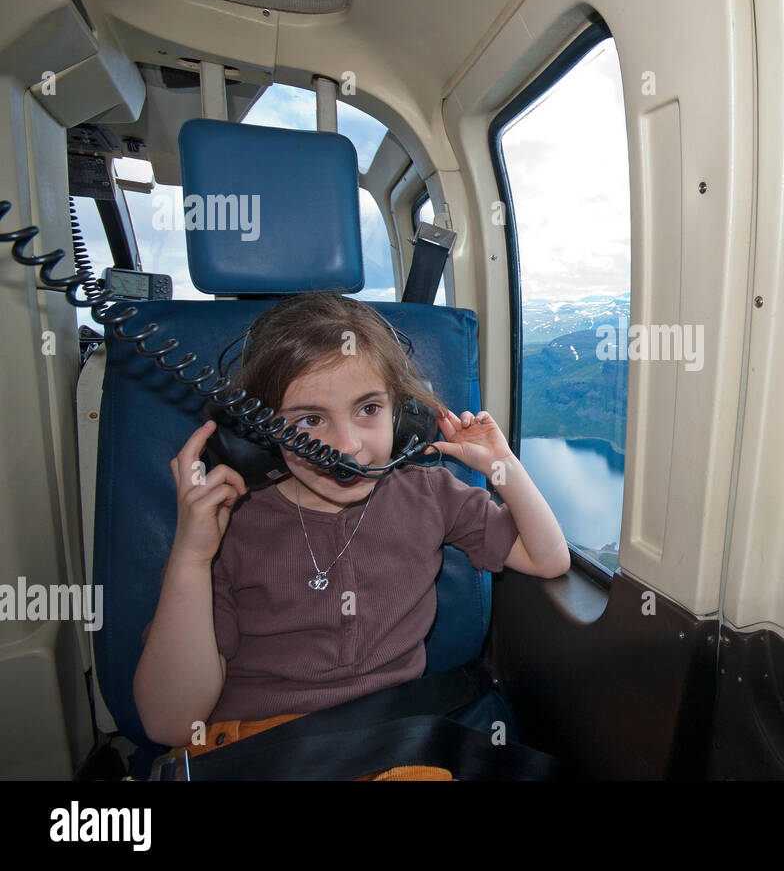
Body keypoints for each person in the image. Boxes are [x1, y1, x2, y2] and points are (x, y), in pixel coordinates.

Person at [132, 292, 569, 777]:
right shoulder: (232, 522)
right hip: (259, 748)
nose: (347, 446)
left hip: (392, 741)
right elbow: (170, 724)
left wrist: (501, 466)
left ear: (402, 417)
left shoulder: (430, 493)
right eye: (309, 420)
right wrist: (192, 557)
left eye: (368, 409)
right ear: (255, 433)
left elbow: (548, 558)